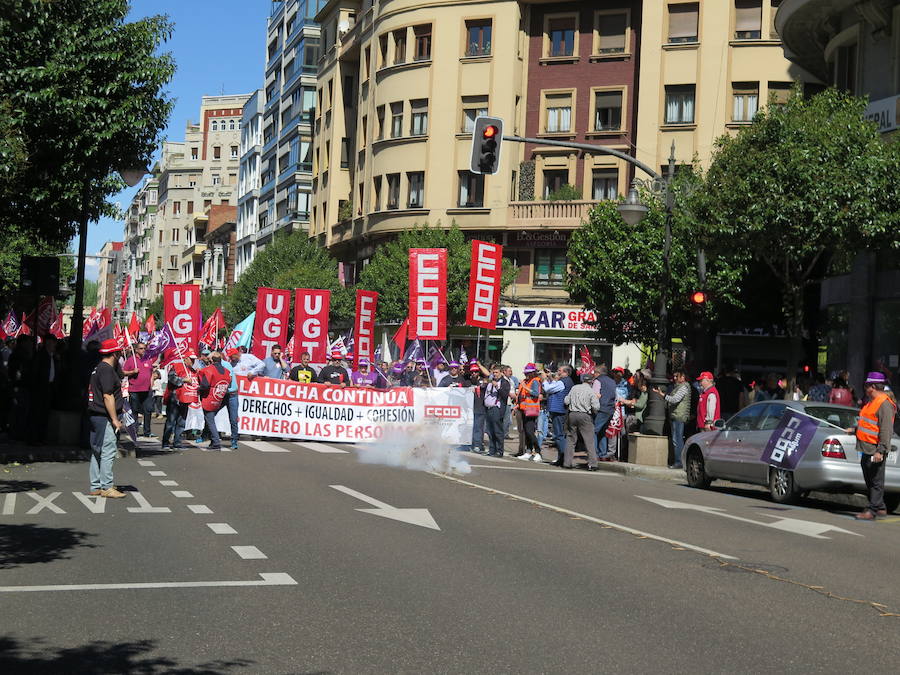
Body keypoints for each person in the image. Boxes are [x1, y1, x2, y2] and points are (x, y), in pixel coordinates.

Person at [851, 373, 897, 520]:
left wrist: (881, 451)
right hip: (866, 448)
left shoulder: (884, 403)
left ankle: (872, 510)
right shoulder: (872, 401)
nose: (864, 388)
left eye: (866, 385)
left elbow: (886, 430)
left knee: (876, 481)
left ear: (872, 387)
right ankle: (880, 507)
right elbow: (868, 424)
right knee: (870, 478)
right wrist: (855, 430)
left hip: (875, 449)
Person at [86, 339, 127, 498]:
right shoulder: (107, 370)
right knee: (108, 451)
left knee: (97, 451)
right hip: (104, 417)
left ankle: (96, 485)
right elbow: (107, 395)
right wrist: (115, 418)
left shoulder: (98, 368)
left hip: (96, 415)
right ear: (115, 354)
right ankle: (107, 486)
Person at [563, 372, 601, 470]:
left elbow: (566, 401)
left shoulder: (574, 388)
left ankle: (567, 462)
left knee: (571, 439)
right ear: (591, 382)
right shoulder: (591, 391)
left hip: (572, 414)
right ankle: (592, 464)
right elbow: (596, 407)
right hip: (585, 415)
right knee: (589, 440)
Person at [161, 353, 198, 450]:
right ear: (185, 359)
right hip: (175, 398)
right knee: (170, 422)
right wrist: (184, 380)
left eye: (194, 360)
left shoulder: (193, 371)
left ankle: (177, 442)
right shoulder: (176, 367)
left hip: (186, 400)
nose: (193, 362)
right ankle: (165, 442)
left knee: (182, 422)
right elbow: (172, 378)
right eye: (191, 359)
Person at [655, 370, 691, 469]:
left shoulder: (684, 387)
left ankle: (679, 462)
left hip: (679, 416)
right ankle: (679, 461)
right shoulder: (678, 387)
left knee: (677, 440)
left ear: (682, 377)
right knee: (677, 439)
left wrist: (664, 395)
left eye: (677, 376)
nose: (674, 378)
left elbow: (675, 399)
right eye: (674, 376)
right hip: (676, 415)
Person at [197, 352, 232, 451]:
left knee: (210, 420)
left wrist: (198, 389)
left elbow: (205, 385)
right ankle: (213, 441)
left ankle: (216, 442)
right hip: (219, 398)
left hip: (209, 398)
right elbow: (228, 384)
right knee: (210, 420)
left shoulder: (209, 370)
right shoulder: (227, 371)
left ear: (211, 360)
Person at [122, 341, 157, 438]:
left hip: (147, 390)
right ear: (136, 350)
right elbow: (123, 372)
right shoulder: (130, 360)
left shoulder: (148, 360)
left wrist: (151, 382)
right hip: (134, 390)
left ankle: (147, 431)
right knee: (135, 411)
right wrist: (133, 371)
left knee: (148, 411)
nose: (143, 350)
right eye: (141, 348)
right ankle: (135, 431)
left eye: (144, 348)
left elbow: (150, 373)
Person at [544, 365, 574, 466]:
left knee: (559, 435)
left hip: (559, 410)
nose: (557, 372)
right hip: (560, 410)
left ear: (565, 372)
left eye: (560, 371)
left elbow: (548, 389)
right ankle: (561, 459)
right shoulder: (566, 381)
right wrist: (551, 379)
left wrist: (544, 380)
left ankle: (565, 458)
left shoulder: (563, 382)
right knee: (560, 435)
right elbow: (553, 387)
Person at [513, 364, 543, 462]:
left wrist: (526, 387)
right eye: (525, 373)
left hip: (531, 410)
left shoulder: (535, 381)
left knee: (530, 431)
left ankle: (538, 452)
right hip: (523, 409)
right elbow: (521, 396)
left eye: (528, 373)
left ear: (532, 373)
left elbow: (535, 393)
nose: (526, 375)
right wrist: (517, 405)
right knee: (526, 431)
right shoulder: (527, 381)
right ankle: (528, 451)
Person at [481, 365, 511, 457]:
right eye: (493, 373)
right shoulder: (491, 381)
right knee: (490, 431)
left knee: (497, 430)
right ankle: (492, 449)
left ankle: (499, 450)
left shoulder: (504, 382)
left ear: (501, 373)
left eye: (497, 372)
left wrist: (497, 387)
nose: (495, 374)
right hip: (489, 408)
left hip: (497, 408)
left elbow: (505, 395)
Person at [592, 365, 617, 460]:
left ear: (598, 373)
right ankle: (602, 453)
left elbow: (595, 395)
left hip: (601, 408)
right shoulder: (612, 381)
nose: (593, 374)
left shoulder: (598, 381)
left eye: (594, 372)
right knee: (602, 431)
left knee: (594, 431)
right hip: (610, 409)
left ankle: (594, 453)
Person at [222, 349, 241, 450]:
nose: (230, 358)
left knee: (233, 419)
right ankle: (207, 435)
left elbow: (228, 380)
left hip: (232, 394)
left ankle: (234, 440)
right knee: (211, 414)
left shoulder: (227, 365)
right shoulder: (227, 363)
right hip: (223, 394)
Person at [469, 362, 487, 452]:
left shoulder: (483, 381)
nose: (473, 373)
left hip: (480, 408)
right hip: (469, 409)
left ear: (479, 372)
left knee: (478, 427)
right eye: (472, 372)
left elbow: (487, 380)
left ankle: (478, 444)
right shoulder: (468, 381)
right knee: (471, 427)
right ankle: (471, 443)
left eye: (475, 372)